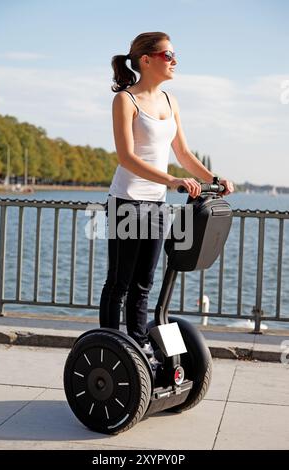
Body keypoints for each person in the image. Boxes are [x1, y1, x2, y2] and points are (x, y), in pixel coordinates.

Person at [99, 31, 234, 361]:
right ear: (146, 60)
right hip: (127, 202)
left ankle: (140, 347)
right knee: (120, 283)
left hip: (156, 204)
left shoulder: (171, 101)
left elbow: (184, 153)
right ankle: (111, 349)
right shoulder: (125, 100)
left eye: (174, 55)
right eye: (167, 55)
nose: (174, 60)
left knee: (144, 284)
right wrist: (173, 179)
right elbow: (127, 158)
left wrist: (213, 178)